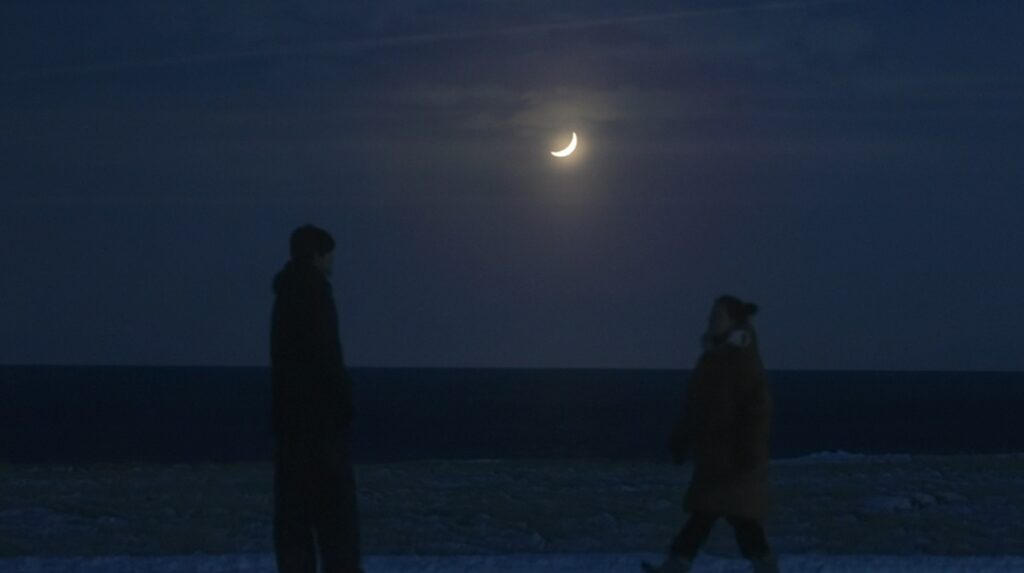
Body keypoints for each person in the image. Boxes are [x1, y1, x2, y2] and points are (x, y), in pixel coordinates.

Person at [643, 295, 777, 573]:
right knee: (722, 514)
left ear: (733, 321)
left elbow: (756, 409)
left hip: (734, 456)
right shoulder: (712, 358)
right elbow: (696, 405)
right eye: (711, 316)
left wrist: (749, 451)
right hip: (715, 457)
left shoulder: (742, 359)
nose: (711, 321)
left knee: (722, 514)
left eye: (718, 316)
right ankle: (761, 565)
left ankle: (679, 564)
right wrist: (681, 438)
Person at [270, 224, 362, 573]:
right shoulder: (316, 293)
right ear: (317, 255)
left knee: (294, 521)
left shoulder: (284, 294)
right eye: (329, 255)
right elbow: (327, 356)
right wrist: (344, 406)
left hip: (290, 426)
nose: (332, 262)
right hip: (321, 429)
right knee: (337, 520)